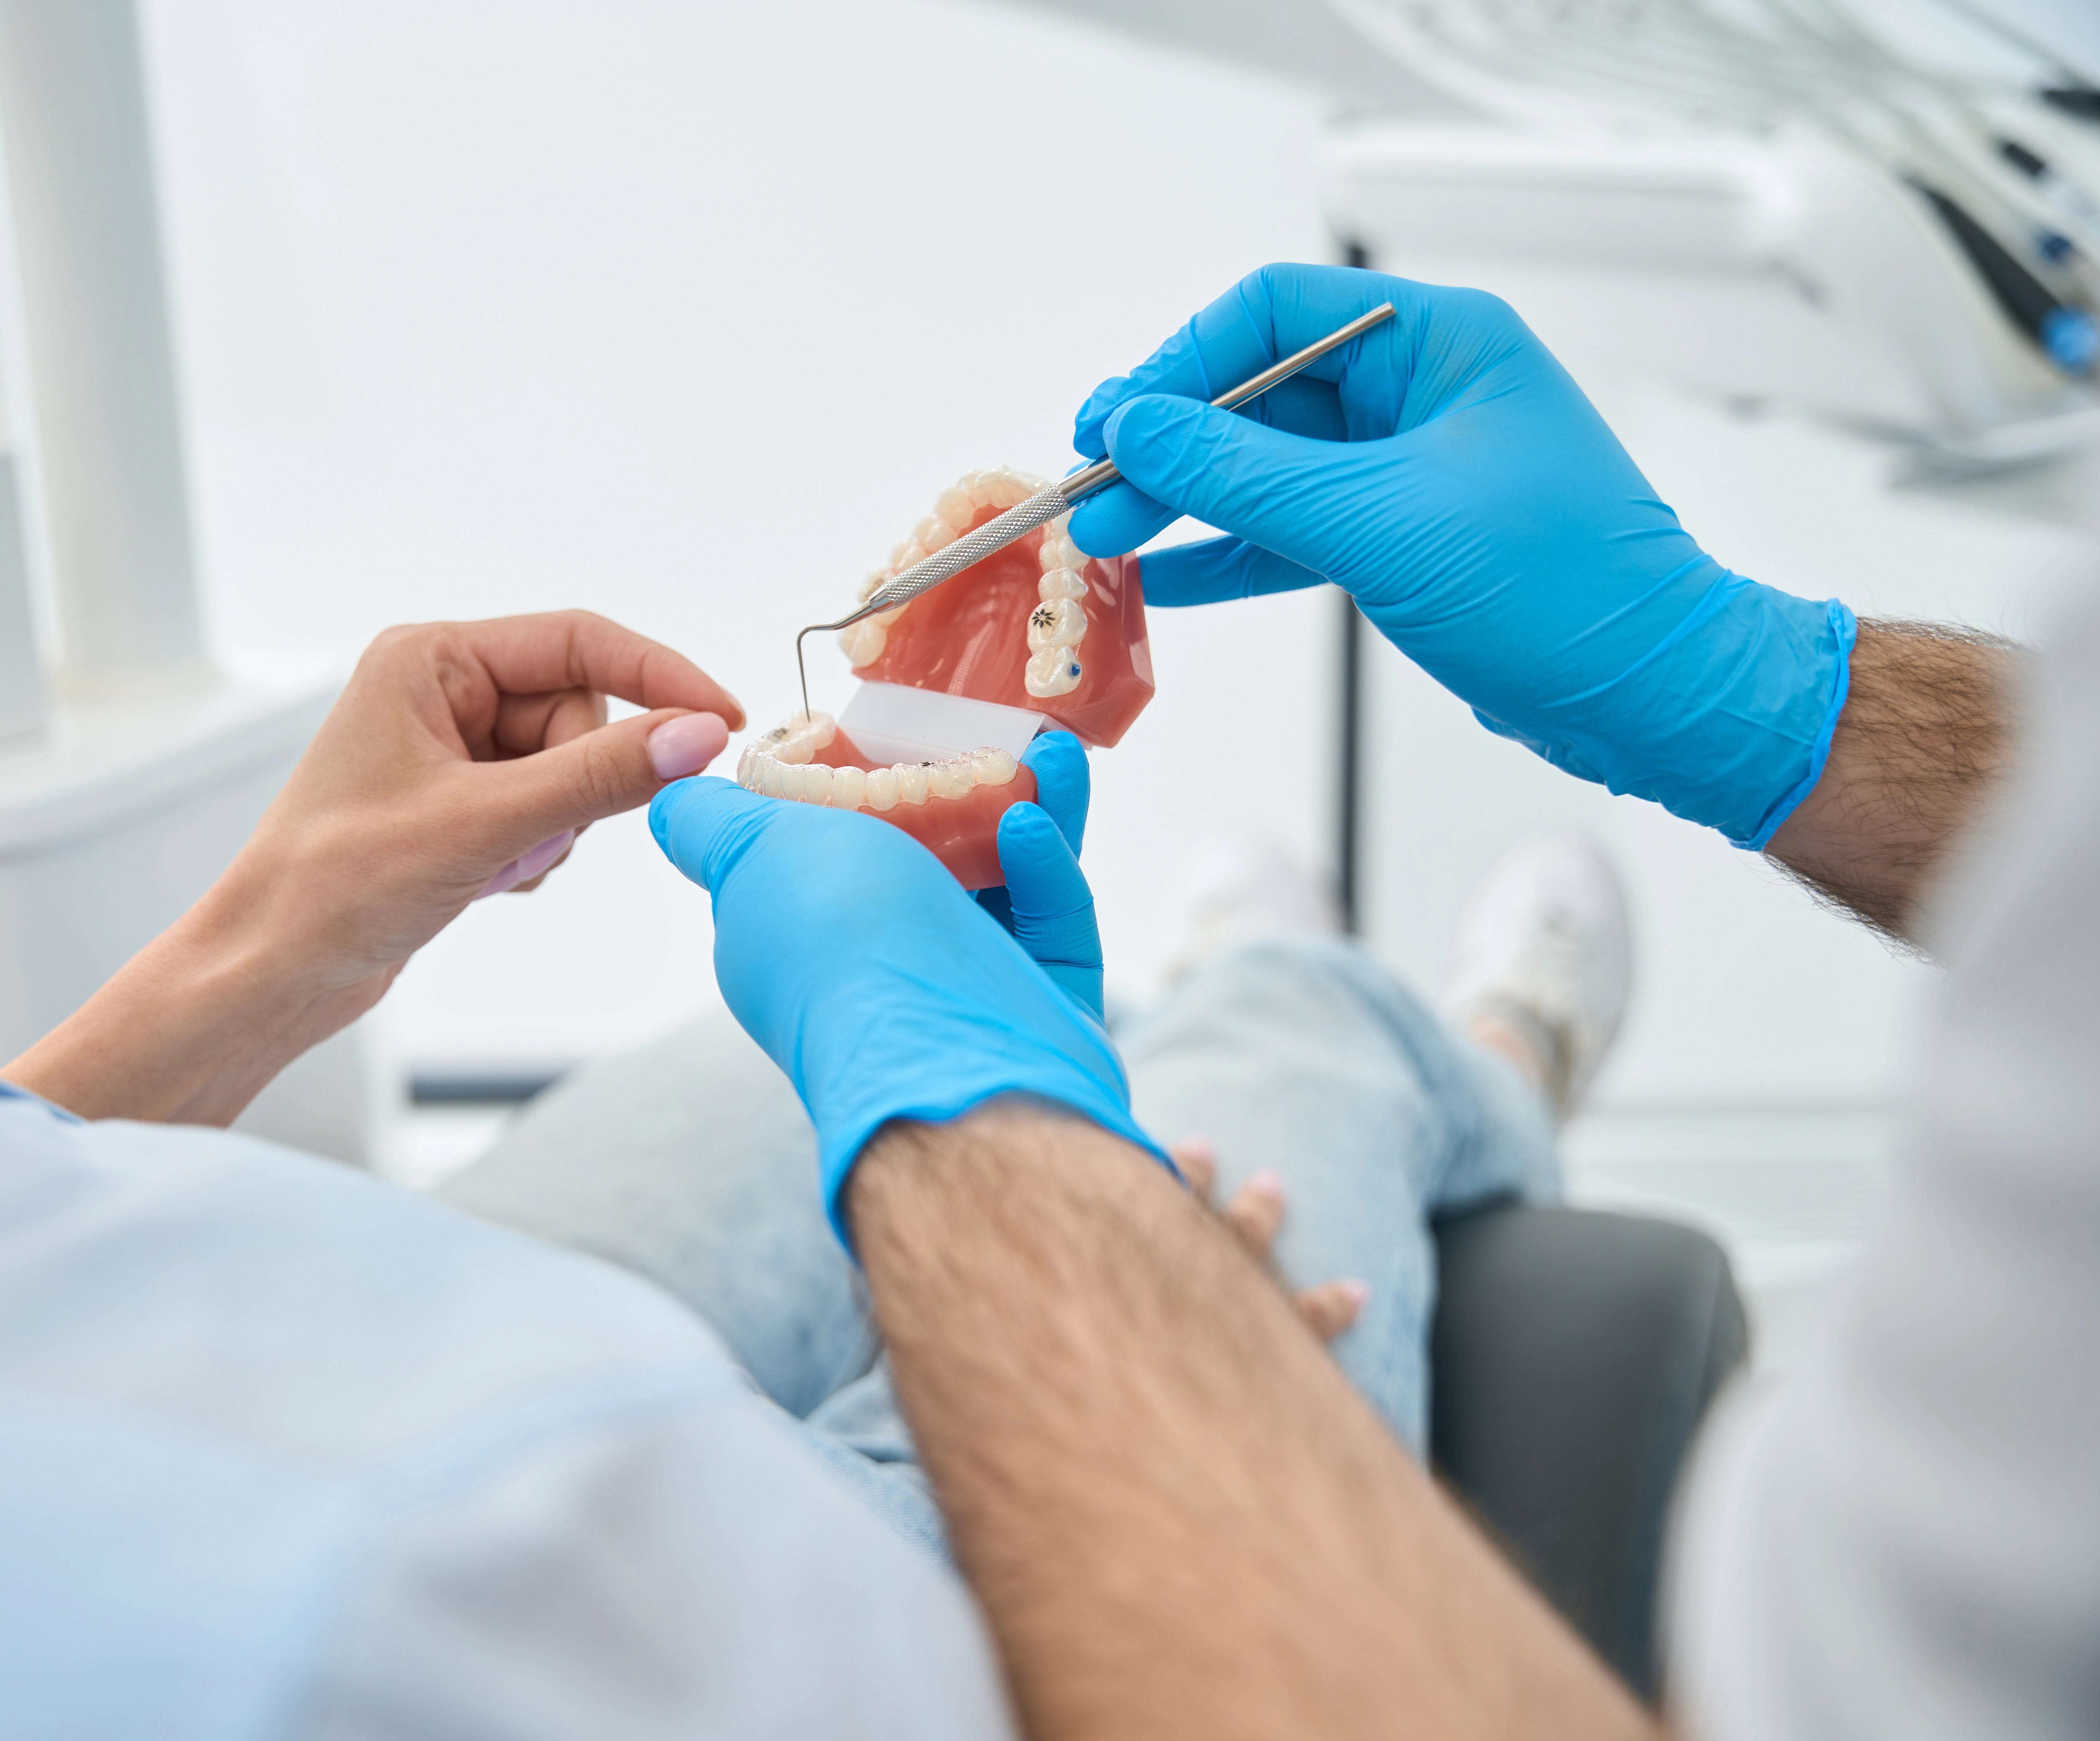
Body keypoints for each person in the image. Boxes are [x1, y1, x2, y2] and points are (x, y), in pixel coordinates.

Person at [0, 6, 1464, 1735]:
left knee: (734, 1078)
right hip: (511, 1538)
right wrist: (1110, 1306)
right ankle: (1424, 1019)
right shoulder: (396, 1598)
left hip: (284, 1403)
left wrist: (277, 938)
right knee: (1264, 1072)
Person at [646, 258, 2073, 1741]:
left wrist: (1768, 688)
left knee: (738, 1071)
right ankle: (1495, 1057)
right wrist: (1073, 1211)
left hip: (510, 1377)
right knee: (1279, 1037)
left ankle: (1265, 1009)